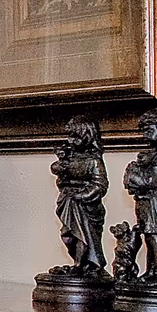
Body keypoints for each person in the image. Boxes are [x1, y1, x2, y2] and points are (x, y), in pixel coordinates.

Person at [122, 109, 157, 284]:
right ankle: (151, 271)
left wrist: (132, 173)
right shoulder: (152, 156)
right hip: (147, 205)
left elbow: (151, 181)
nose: (145, 135)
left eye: (149, 130)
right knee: (149, 238)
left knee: (156, 239)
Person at [50, 116, 108, 276]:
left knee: (83, 236)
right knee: (67, 235)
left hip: (85, 207)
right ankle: (78, 263)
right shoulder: (69, 159)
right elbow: (61, 182)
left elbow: (100, 185)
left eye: (75, 136)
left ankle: (80, 265)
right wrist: (62, 175)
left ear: (87, 136)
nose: (71, 140)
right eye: (69, 136)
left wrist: (83, 195)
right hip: (68, 203)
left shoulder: (93, 161)